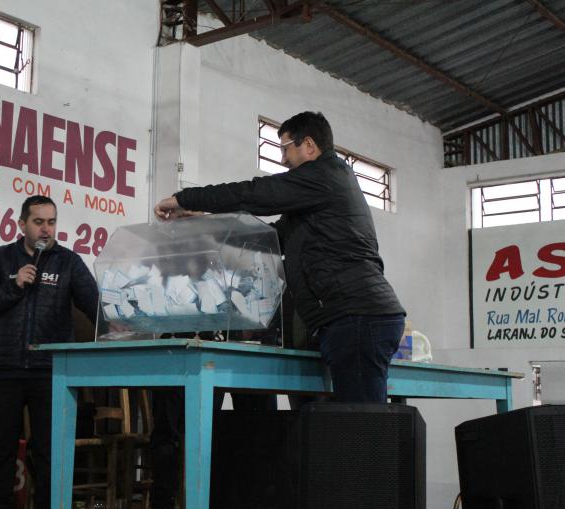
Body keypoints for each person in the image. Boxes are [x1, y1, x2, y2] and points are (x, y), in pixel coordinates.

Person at [154, 111, 405, 403]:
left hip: (357, 316)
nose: (283, 160)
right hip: (346, 318)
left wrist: (185, 197)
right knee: (344, 422)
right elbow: (269, 239)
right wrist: (205, 222)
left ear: (309, 145)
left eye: (285, 148)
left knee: (363, 424)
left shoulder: (324, 175)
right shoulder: (316, 199)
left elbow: (254, 194)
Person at [0, 195, 99, 509]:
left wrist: (126, 325)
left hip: (49, 370)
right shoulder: (1, 258)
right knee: (2, 450)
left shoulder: (68, 262)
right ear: (22, 224)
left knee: (47, 452)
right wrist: (14, 285)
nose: (46, 228)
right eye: (39, 222)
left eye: (51, 222)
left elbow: (95, 305)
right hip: (6, 369)